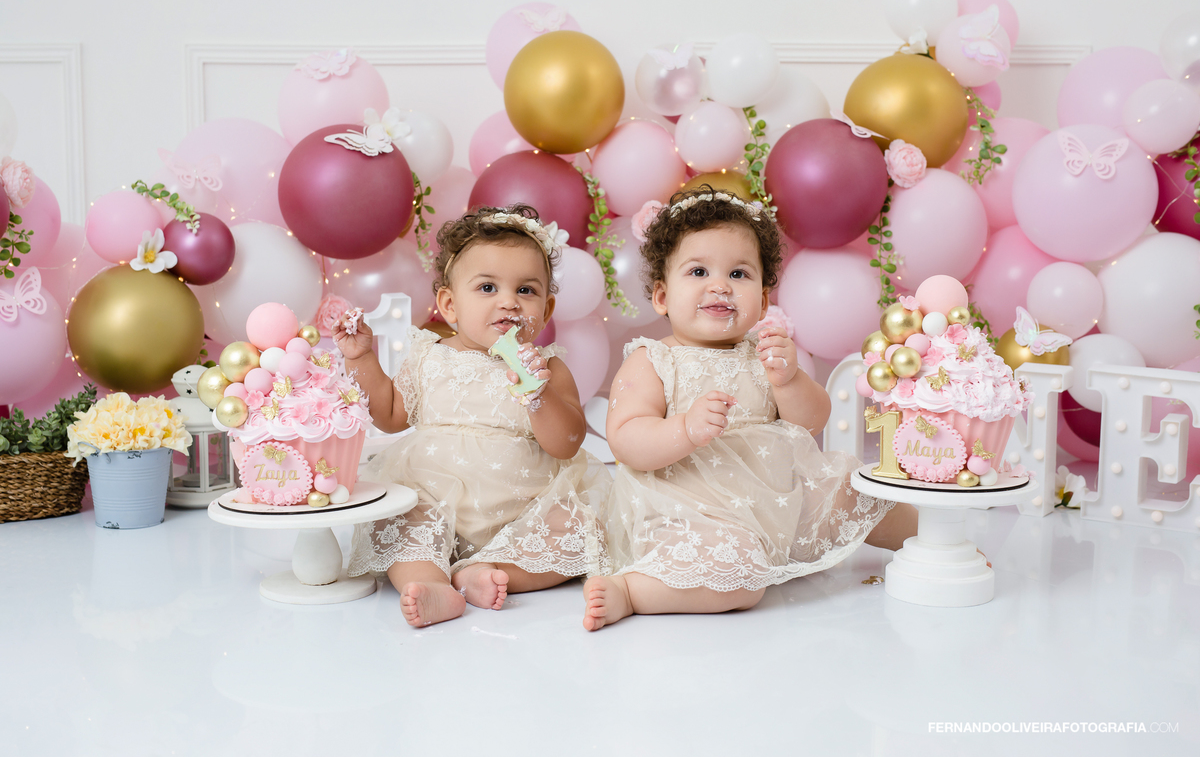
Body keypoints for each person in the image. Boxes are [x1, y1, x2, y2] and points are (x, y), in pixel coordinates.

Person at [583, 187, 916, 631]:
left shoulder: (764, 354)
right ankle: (633, 590)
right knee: (737, 577)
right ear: (662, 296)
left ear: (761, 302)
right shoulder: (653, 359)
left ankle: (930, 543)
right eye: (698, 271)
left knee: (860, 488)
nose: (720, 285)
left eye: (738, 274)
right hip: (691, 509)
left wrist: (789, 380)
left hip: (780, 501)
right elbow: (626, 439)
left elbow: (810, 421)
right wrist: (685, 429)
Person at [335, 204, 610, 628]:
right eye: (487, 287)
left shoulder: (548, 368)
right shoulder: (430, 356)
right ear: (450, 305)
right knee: (401, 522)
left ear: (546, 310)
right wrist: (361, 358)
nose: (509, 301)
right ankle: (430, 584)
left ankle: (484, 572)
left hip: (522, 511)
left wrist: (539, 397)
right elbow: (389, 415)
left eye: (526, 290)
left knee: (578, 531)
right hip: (432, 499)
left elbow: (567, 443)